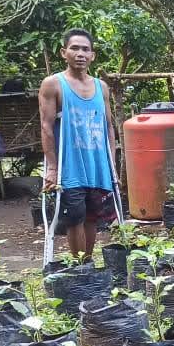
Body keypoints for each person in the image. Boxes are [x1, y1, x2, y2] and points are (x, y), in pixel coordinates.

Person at [39, 28, 119, 260]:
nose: (80, 53)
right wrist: (52, 168)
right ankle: (79, 265)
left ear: (93, 55)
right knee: (75, 215)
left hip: (97, 163)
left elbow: (109, 126)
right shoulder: (53, 84)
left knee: (92, 215)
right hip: (70, 164)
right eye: (74, 48)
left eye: (85, 49)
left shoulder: (101, 87)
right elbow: (46, 126)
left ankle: (88, 263)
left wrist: (112, 163)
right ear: (64, 52)